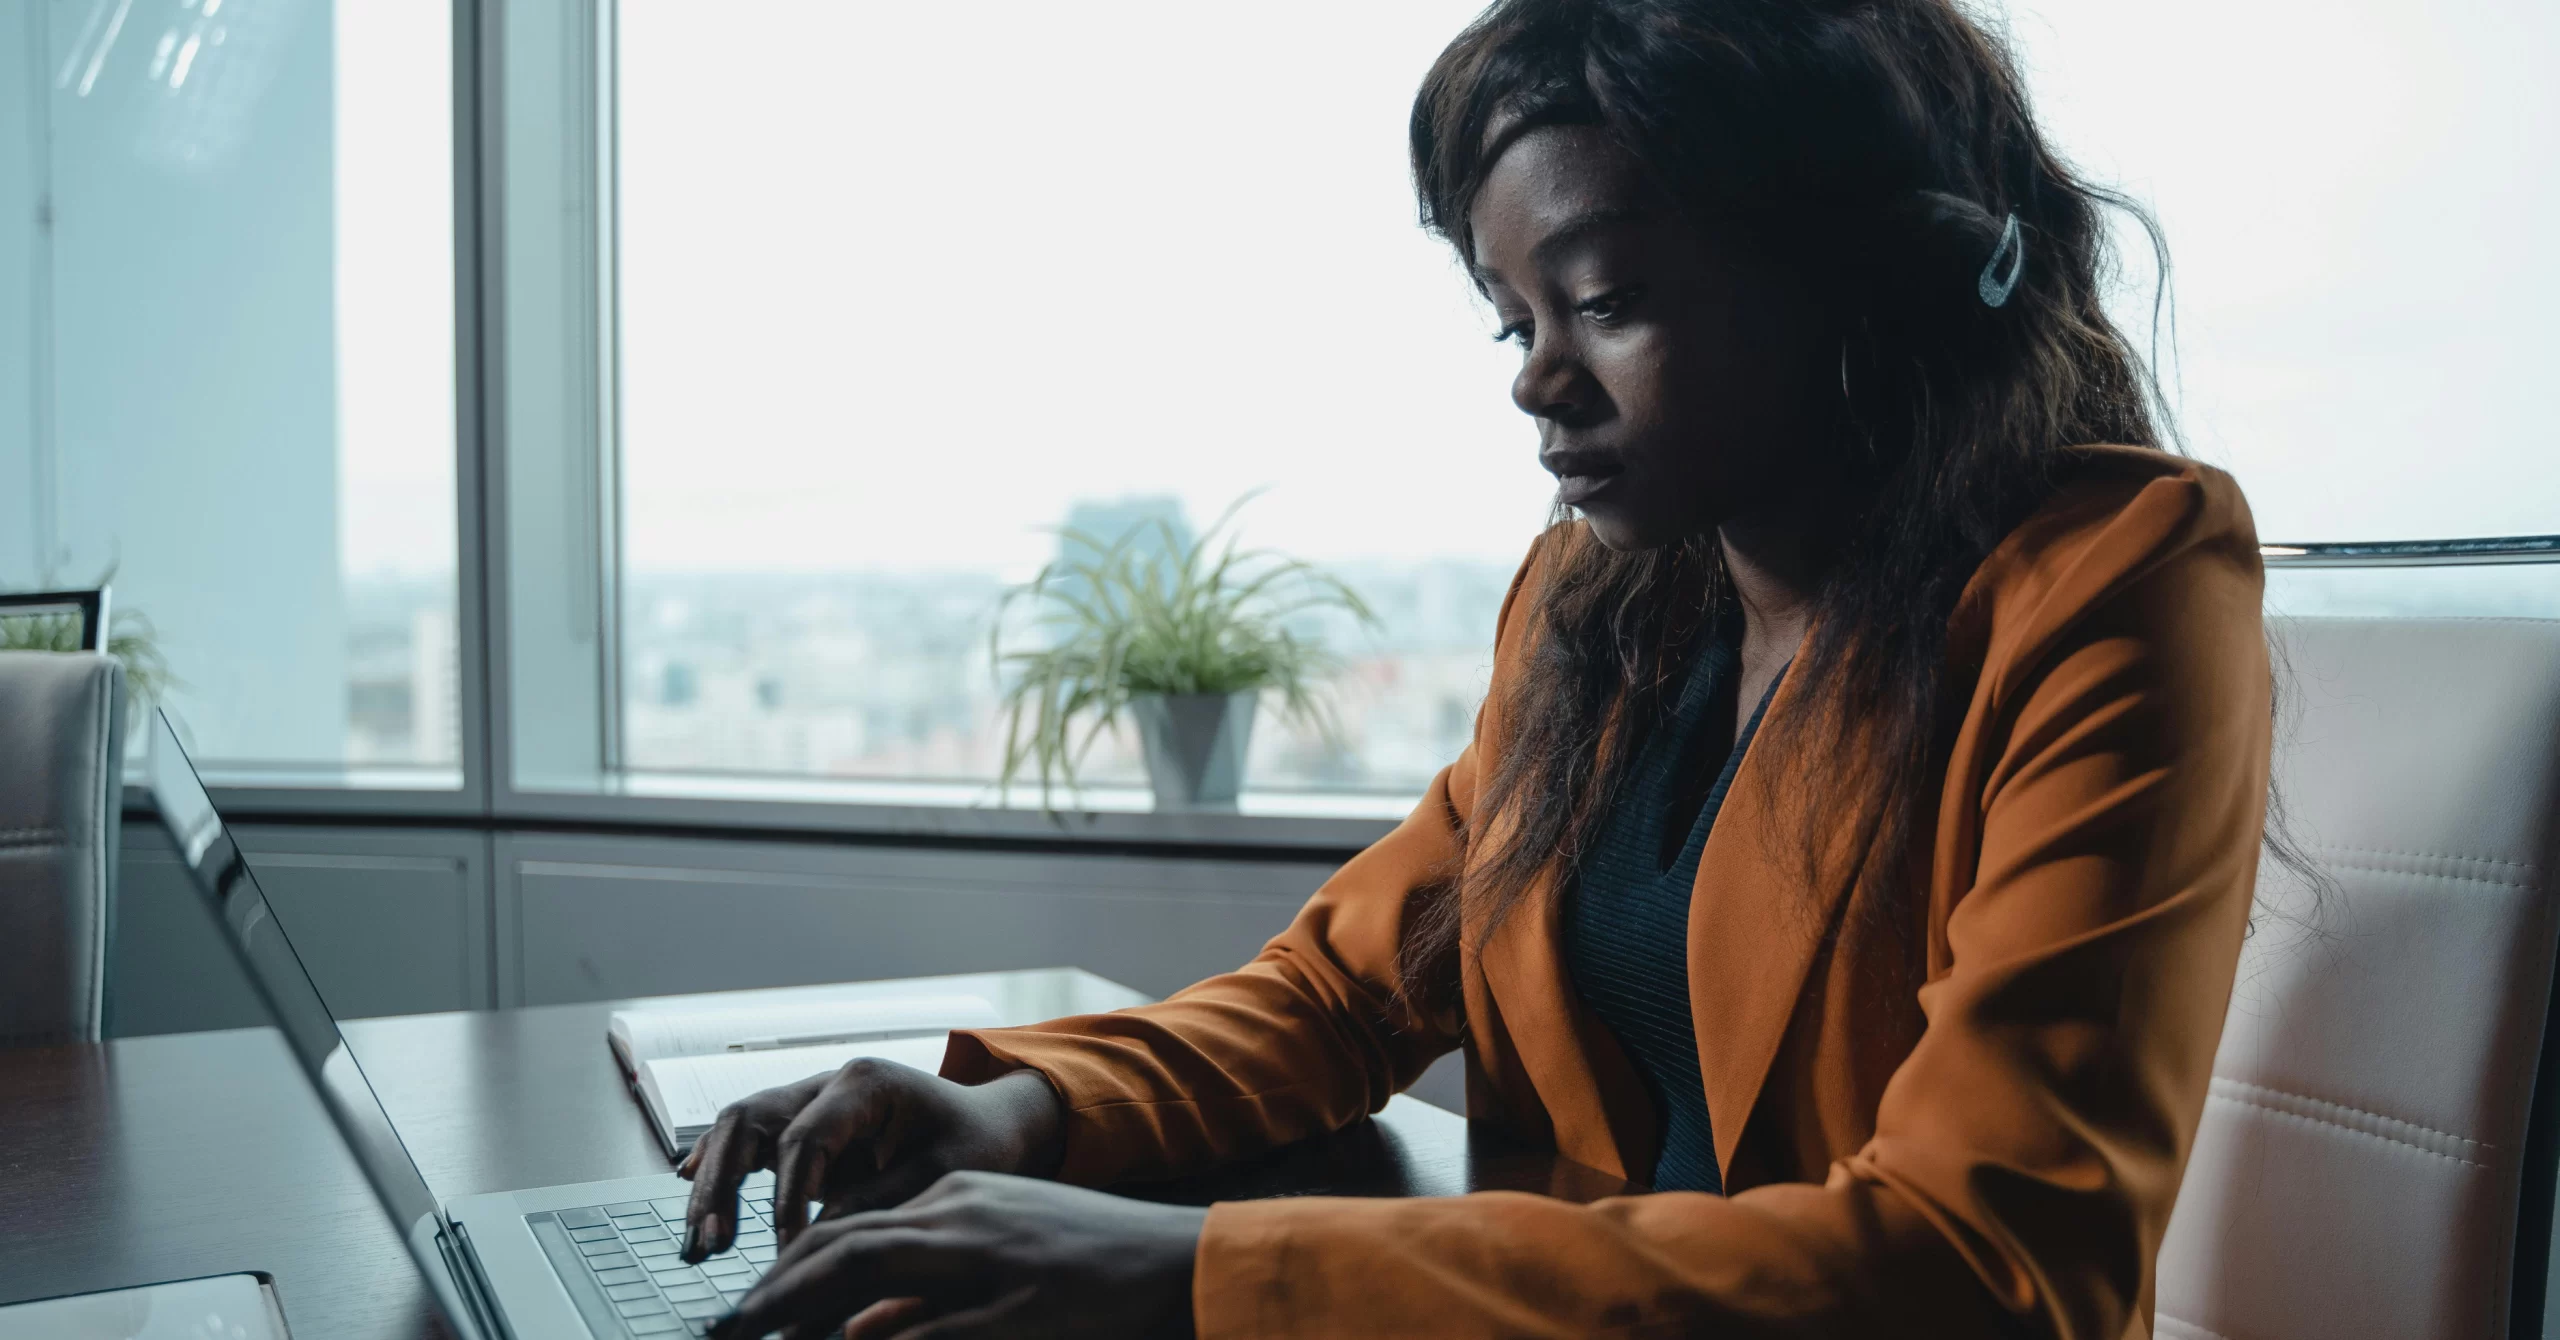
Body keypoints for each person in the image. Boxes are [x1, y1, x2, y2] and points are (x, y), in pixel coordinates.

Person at [686, 0, 2274, 1335]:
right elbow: (1342, 989)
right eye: (1510, 314)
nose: (1536, 379)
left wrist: (1195, 1276)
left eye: (1606, 301)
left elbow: (1983, 1263)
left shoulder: (2114, 588)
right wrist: (1018, 1116)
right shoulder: (1607, 608)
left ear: (1859, 281)